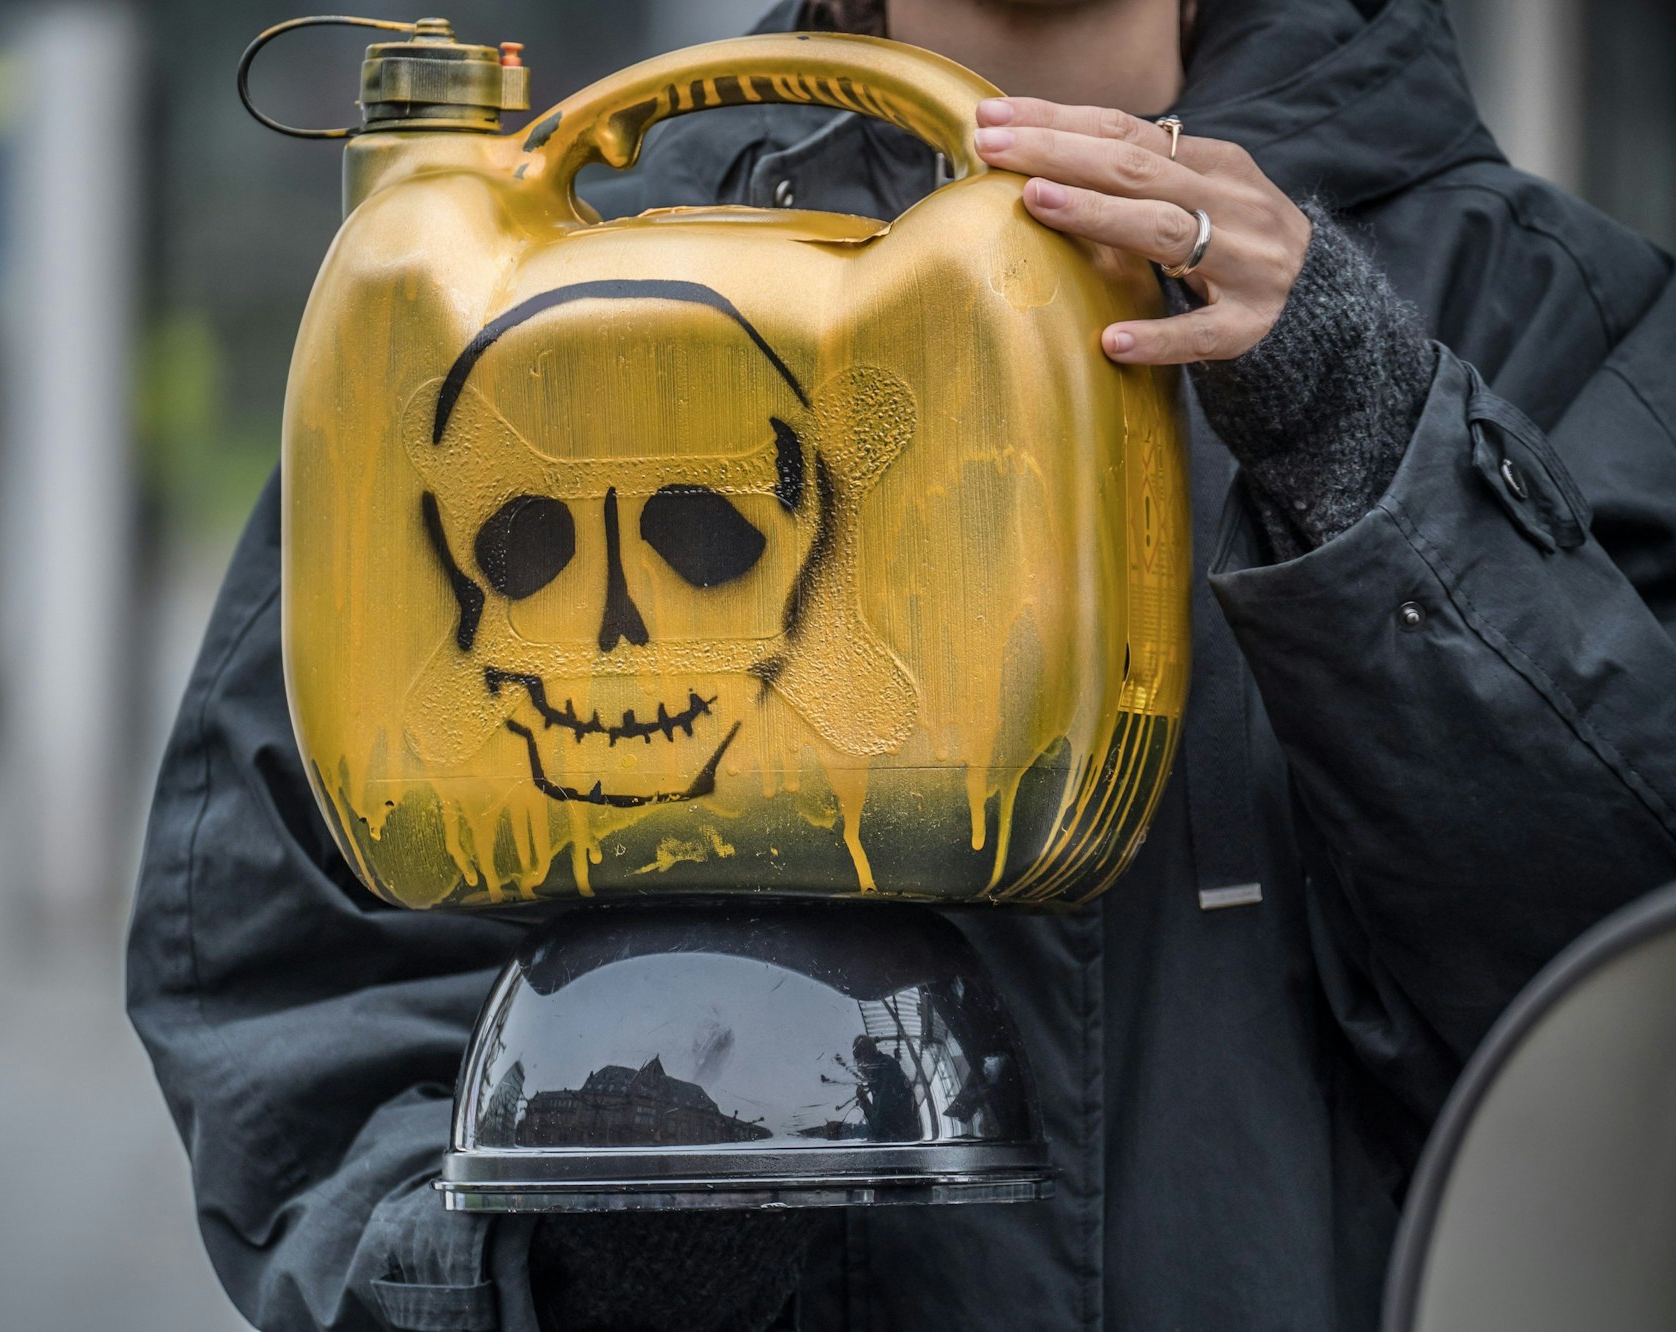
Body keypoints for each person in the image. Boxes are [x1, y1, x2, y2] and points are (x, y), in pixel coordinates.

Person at [127, 0, 1676, 1328]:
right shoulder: (540, 293)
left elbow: (1624, 990)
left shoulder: (1569, 327)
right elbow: (305, 999)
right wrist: (552, 1267)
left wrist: (1379, 443)